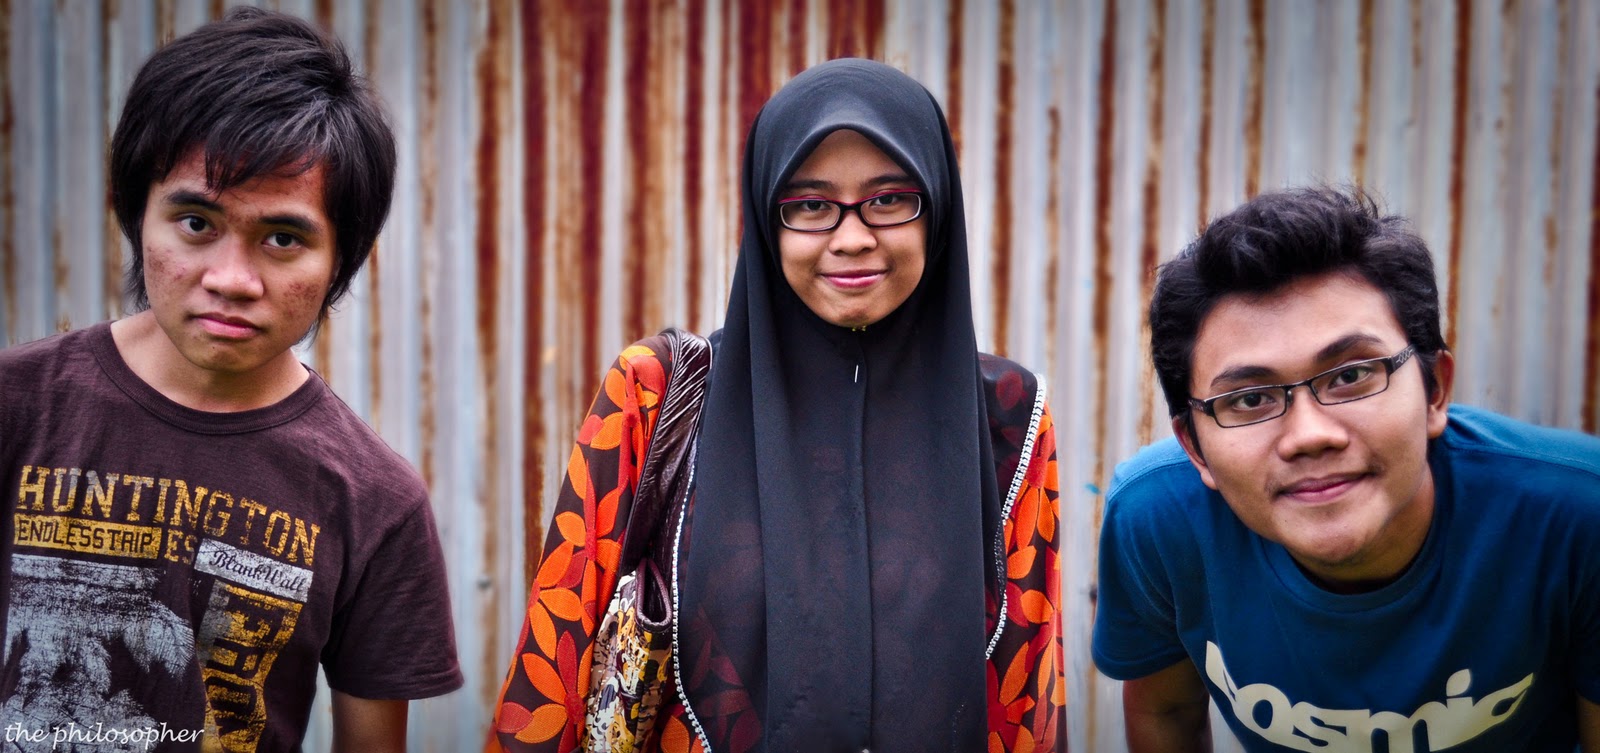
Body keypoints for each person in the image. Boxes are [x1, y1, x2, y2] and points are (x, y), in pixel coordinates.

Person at [488, 58, 1063, 752]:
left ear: (937, 208)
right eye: (811, 205)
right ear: (768, 220)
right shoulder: (653, 396)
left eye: (889, 198)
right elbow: (552, 668)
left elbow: (1028, 691)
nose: (852, 236)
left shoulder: (1007, 418)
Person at [0, 8, 461, 752]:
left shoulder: (377, 503)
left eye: (282, 237)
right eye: (196, 222)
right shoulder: (15, 408)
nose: (231, 279)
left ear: (341, 257)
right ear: (136, 214)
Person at [1091, 186, 1600, 751]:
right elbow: (1166, 713)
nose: (1310, 436)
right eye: (1250, 399)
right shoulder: (1159, 518)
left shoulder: (1579, 515)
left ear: (1434, 390)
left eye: (1352, 376)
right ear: (1194, 447)